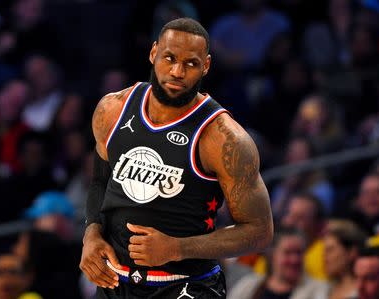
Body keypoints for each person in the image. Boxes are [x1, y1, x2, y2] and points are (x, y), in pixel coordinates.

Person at [79, 17, 274, 298]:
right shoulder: (112, 109)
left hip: (186, 285)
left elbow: (260, 231)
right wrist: (91, 233)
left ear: (206, 66)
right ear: (153, 53)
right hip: (116, 282)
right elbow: (100, 181)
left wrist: (177, 248)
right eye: (169, 58)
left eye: (191, 63)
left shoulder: (224, 139)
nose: (177, 71)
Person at [228, 227, 328, 299]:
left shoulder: (318, 290)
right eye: (288, 253)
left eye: (299, 253)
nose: (295, 259)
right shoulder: (249, 285)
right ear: (272, 255)